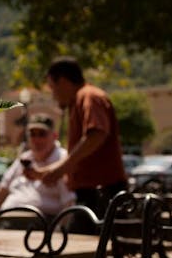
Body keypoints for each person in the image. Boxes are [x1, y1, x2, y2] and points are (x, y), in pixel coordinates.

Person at [29, 57, 128, 217]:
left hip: (102, 194)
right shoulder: (80, 100)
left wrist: (61, 169)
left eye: (52, 87)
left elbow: (96, 134)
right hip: (94, 194)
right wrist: (48, 171)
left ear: (62, 81)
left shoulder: (89, 97)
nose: (53, 95)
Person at [0, 114, 76, 215]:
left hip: (39, 224)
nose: (36, 140)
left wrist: (58, 230)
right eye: (32, 134)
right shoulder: (24, 158)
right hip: (5, 219)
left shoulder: (62, 161)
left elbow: (69, 204)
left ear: (54, 136)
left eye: (42, 134)